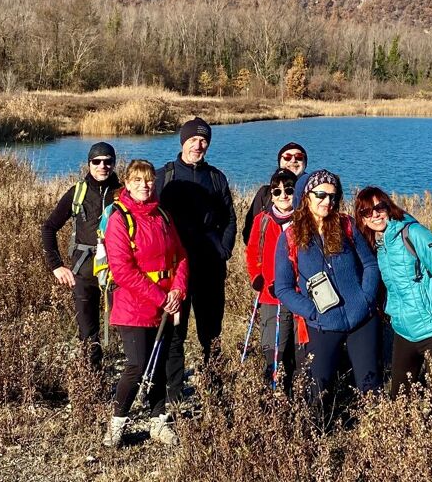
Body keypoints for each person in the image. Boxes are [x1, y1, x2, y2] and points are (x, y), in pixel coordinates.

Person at [274, 170, 381, 406]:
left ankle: (374, 425)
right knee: (318, 391)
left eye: (333, 196)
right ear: (306, 197)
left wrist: (365, 298)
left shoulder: (346, 225)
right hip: (322, 324)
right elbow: (283, 288)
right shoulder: (290, 237)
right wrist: (313, 312)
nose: (327, 201)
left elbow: (370, 264)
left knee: (370, 387)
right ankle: (320, 427)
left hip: (362, 319)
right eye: (321, 195)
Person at [102, 160, 189, 447]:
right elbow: (123, 271)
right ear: (127, 183)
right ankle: (116, 424)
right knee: (137, 366)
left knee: (161, 364)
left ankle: (158, 422)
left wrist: (177, 290)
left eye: (149, 180)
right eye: (137, 180)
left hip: (166, 304)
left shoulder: (162, 214)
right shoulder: (119, 218)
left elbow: (180, 256)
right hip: (134, 306)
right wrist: (162, 298)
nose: (144, 185)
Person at [355, 187, 432, 397]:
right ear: (362, 218)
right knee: (399, 398)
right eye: (367, 211)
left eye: (380, 207)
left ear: (389, 207)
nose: (375, 215)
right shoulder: (376, 245)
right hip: (404, 331)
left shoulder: (414, 233)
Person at [157, 117, 236, 363]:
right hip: (174, 268)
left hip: (209, 267)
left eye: (203, 140)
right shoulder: (164, 176)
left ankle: (213, 380)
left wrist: (223, 249)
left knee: (211, 332)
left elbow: (230, 218)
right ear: (183, 141)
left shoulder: (216, 177)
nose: (198, 145)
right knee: (174, 331)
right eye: (193, 139)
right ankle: (174, 384)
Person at [41, 142, 121, 370]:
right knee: (88, 333)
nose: (102, 166)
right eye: (97, 161)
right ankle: (93, 381)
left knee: (127, 327)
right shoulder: (77, 192)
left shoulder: (123, 193)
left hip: (117, 273)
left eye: (108, 161)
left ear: (114, 164)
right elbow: (49, 228)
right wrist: (56, 265)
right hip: (83, 272)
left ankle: (135, 377)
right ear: (89, 164)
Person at [245, 169, 299, 388]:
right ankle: (272, 394)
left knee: (299, 350)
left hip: (300, 295)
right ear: (271, 195)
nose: (283, 195)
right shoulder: (263, 220)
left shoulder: (305, 220)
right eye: (277, 191)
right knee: (274, 350)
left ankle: (298, 394)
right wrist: (257, 277)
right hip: (271, 295)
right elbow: (252, 252)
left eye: (289, 190)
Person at [241, 142, 307, 245]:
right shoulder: (265, 193)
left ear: (305, 162)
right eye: (287, 157)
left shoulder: (313, 192)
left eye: (298, 157)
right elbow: (250, 231)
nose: (293, 160)